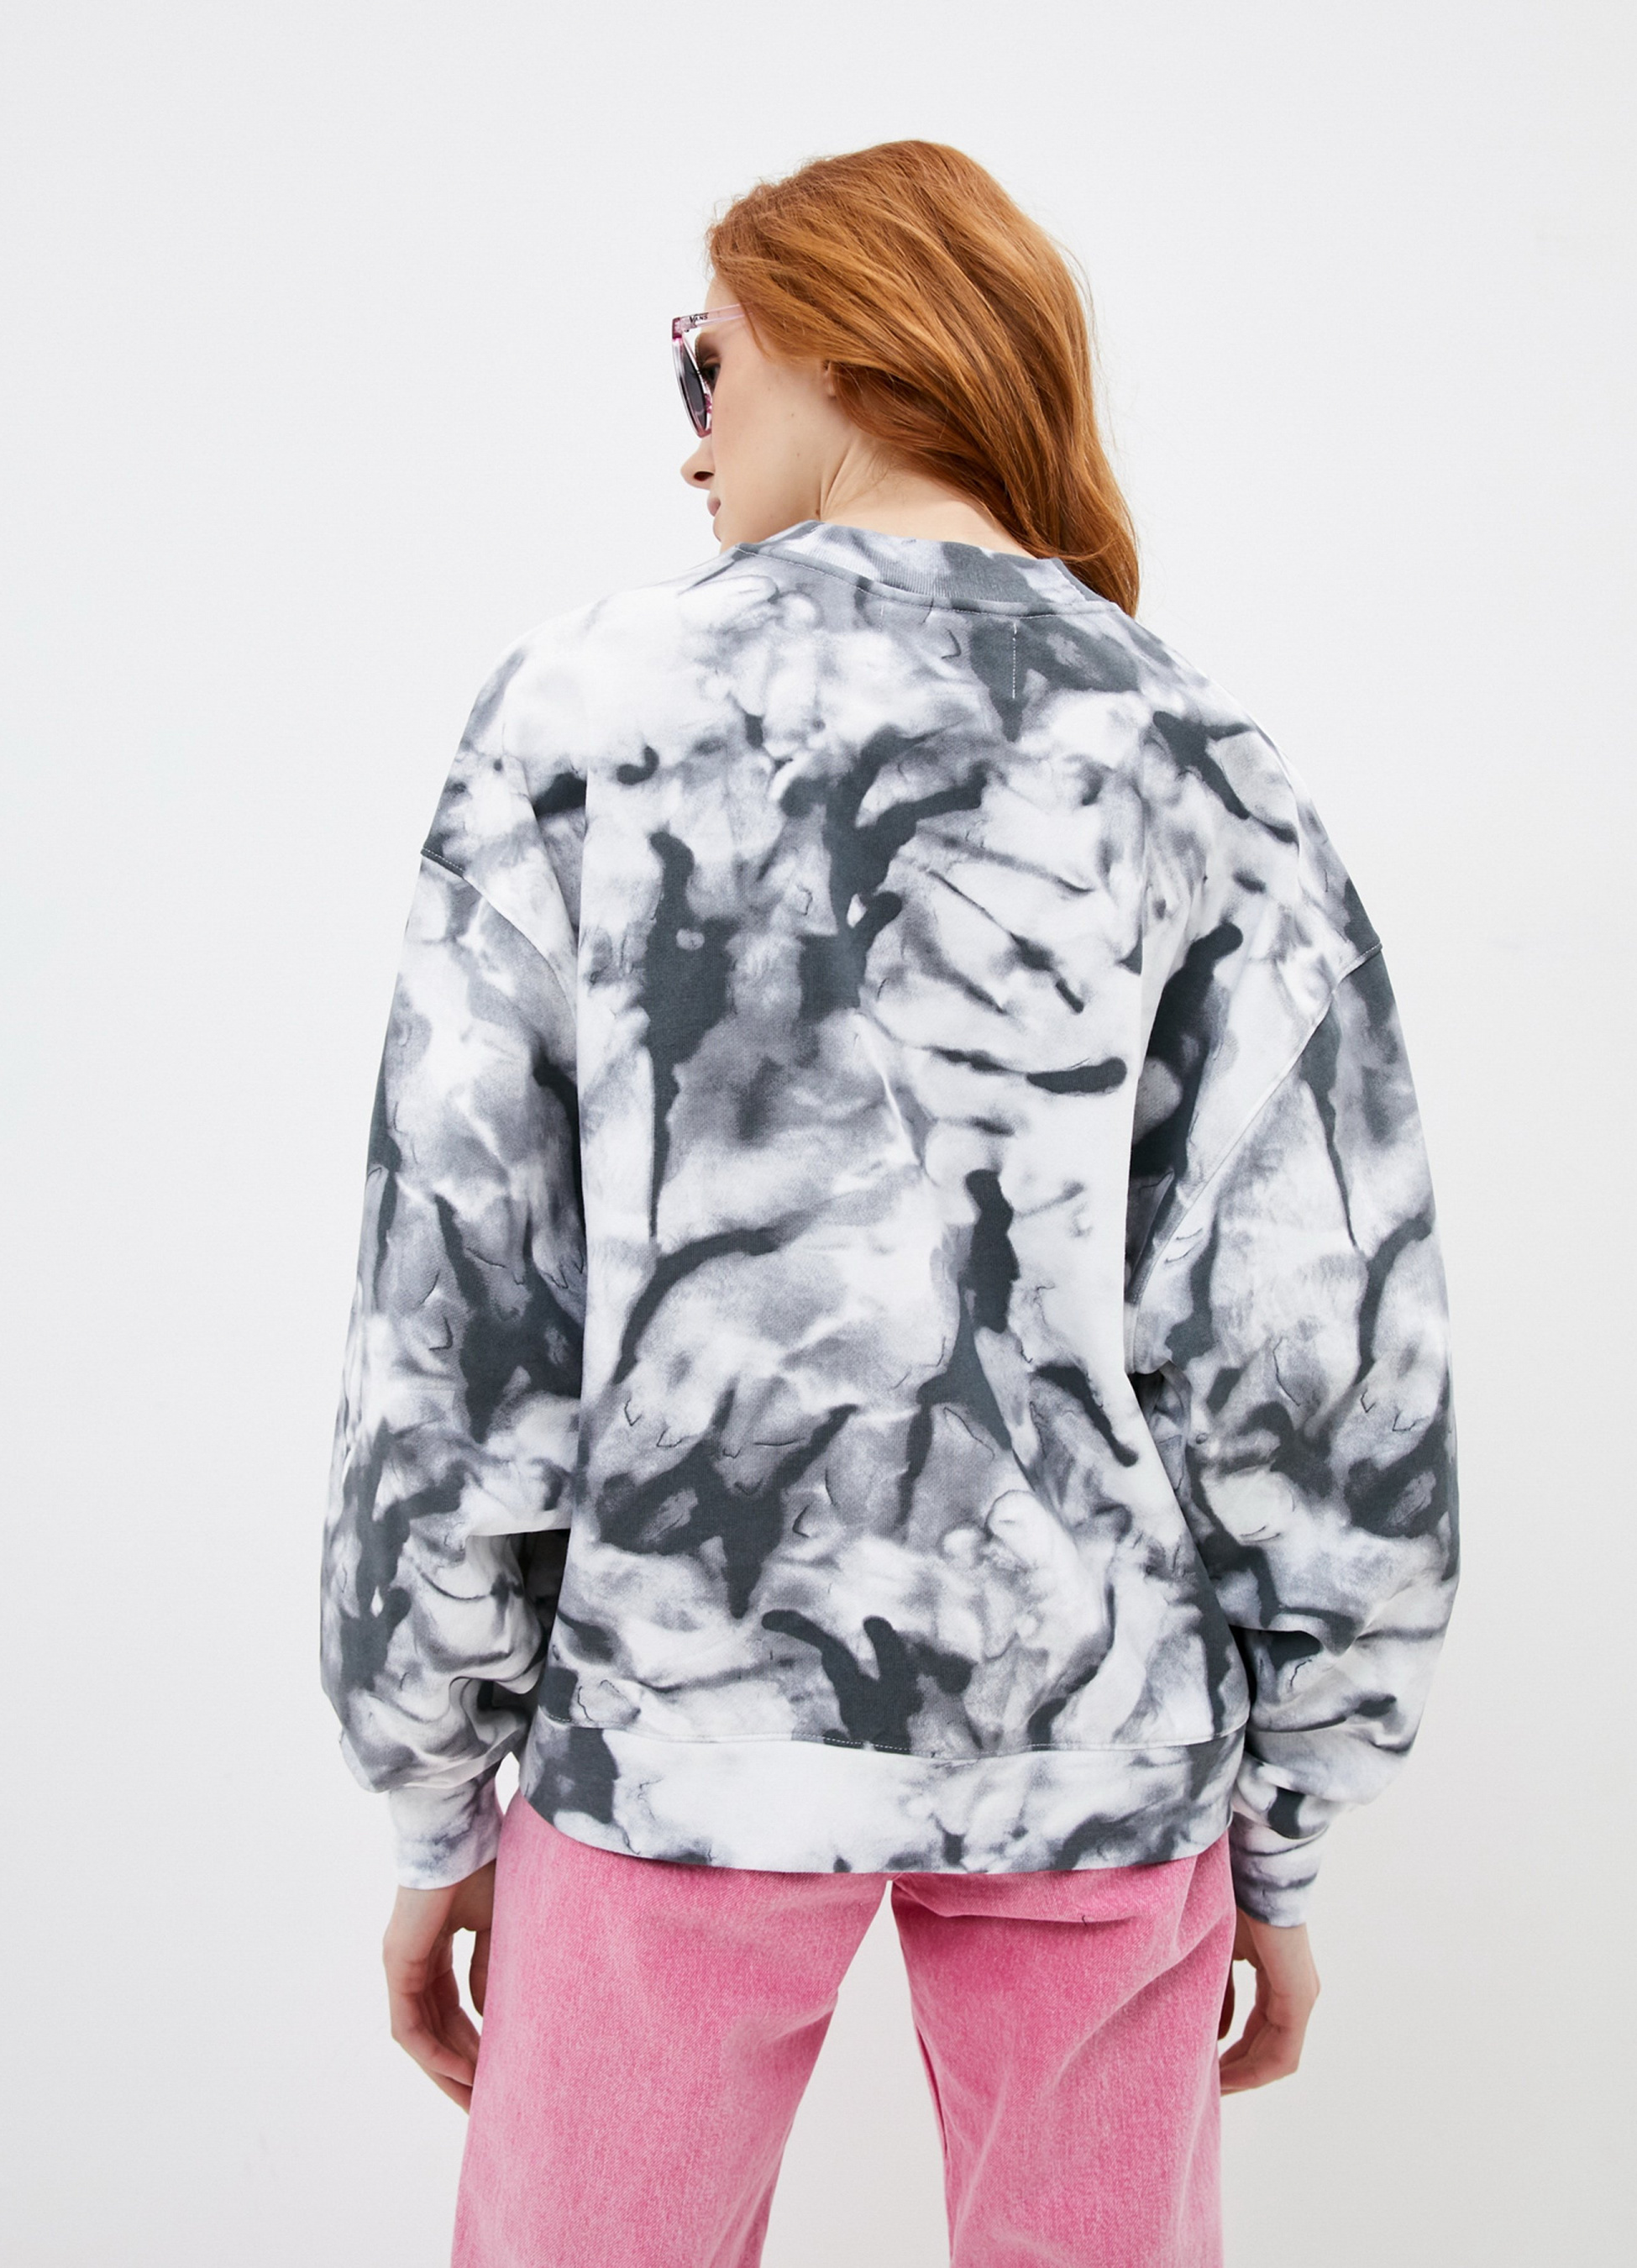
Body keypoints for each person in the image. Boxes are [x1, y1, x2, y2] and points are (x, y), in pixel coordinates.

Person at [321, 140, 1458, 2268]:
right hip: (1093, 1745)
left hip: (673, 1726)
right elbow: (1317, 1348)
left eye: (704, 365)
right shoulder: (1189, 747)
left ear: (845, 341)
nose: (691, 444)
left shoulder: (585, 715)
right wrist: (1283, 1834)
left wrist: (434, 1786)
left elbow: (457, 1309)